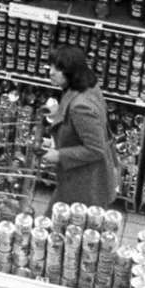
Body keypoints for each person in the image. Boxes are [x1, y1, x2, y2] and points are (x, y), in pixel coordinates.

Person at [43, 45, 118, 209]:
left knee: (62, 224)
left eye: (59, 68)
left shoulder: (80, 107)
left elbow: (95, 149)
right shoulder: (86, 85)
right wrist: (59, 114)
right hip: (84, 177)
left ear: (71, 72)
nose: (51, 71)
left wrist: (59, 155)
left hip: (85, 182)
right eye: (52, 65)